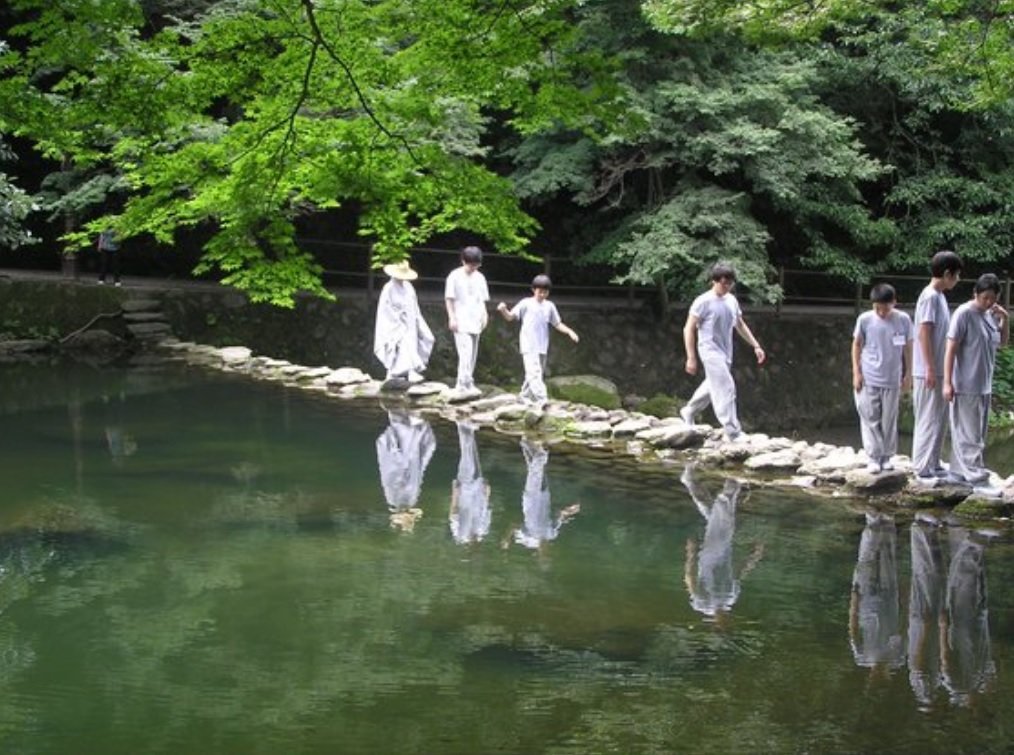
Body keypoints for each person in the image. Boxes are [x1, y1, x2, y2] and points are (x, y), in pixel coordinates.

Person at [680, 263, 766, 441]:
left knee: (712, 385)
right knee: (726, 387)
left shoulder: (731, 300)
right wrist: (691, 357)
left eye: (730, 283)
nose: (726, 286)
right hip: (709, 350)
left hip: (726, 351)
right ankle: (732, 431)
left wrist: (756, 345)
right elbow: (688, 329)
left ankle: (689, 411)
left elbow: (740, 325)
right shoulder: (703, 301)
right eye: (723, 283)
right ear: (714, 281)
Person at [943, 273, 1009, 494]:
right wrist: (947, 382)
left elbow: (1002, 343)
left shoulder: (990, 315)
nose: (989, 302)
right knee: (970, 434)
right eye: (985, 298)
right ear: (976, 294)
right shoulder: (964, 314)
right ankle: (978, 479)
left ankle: (958, 472)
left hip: (984, 384)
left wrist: (1004, 319)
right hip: (965, 384)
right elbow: (950, 348)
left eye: (993, 298)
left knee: (976, 432)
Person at [680, 464, 763, 621]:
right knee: (711, 511)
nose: (726, 620)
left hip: (710, 554)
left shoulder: (704, 605)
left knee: (725, 519)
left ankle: (732, 480)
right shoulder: (730, 599)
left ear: (715, 625)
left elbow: (690, 580)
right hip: (723, 549)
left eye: (722, 624)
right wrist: (754, 557)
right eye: (728, 622)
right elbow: (738, 574)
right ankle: (689, 480)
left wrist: (690, 553)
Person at [911, 251, 964, 486]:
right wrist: (930, 368)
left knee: (939, 419)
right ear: (946, 274)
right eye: (957, 275)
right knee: (928, 418)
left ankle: (933, 463)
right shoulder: (930, 297)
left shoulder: (939, 296)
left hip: (939, 369)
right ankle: (921, 468)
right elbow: (924, 332)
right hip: (927, 370)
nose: (958, 280)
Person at [851, 283, 913, 474]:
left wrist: (908, 374)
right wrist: (856, 372)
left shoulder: (903, 319)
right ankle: (873, 456)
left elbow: (908, 348)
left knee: (888, 419)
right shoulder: (865, 319)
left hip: (892, 377)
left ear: (894, 303)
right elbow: (856, 345)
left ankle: (886, 456)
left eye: (885, 308)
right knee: (870, 417)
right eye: (877, 307)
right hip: (869, 376)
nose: (881, 312)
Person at [496, 274, 579, 410]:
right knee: (534, 373)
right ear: (533, 290)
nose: (542, 294)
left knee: (535, 373)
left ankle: (524, 396)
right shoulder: (526, 303)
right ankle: (542, 399)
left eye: (545, 292)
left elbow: (557, 323)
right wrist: (503, 310)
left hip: (542, 345)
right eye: (540, 291)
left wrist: (570, 331)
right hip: (528, 345)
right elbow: (510, 317)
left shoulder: (549, 306)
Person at [849, 512, 904, 676]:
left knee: (866, 561)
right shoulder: (896, 659)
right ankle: (886, 521)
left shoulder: (862, 658)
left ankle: (873, 520)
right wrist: (905, 601)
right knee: (888, 557)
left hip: (866, 604)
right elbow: (903, 629)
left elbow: (853, 631)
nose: (878, 675)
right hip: (890, 602)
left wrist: (854, 603)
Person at [504, 437, 580, 552]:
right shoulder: (552, 534)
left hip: (531, 498)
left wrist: (507, 539)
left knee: (537, 465)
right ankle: (526, 443)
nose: (545, 550)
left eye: (543, 555)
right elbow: (560, 516)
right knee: (537, 468)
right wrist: (570, 510)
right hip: (544, 496)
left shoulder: (529, 539)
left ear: (539, 553)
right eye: (548, 553)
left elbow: (514, 526)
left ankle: (536, 445)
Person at [373, 260, 434, 384]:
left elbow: (414, 306)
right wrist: (397, 320)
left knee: (425, 338)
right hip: (395, 322)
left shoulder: (408, 287)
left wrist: (417, 320)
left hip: (410, 320)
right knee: (401, 344)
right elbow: (385, 309)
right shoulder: (388, 288)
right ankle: (397, 371)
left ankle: (411, 369)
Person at [376, 407, 436, 532]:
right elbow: (416, 477)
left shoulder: (395, 499)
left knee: (403, 433)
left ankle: (401, 409)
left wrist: (400, 457)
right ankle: (407, 411)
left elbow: (393, 475)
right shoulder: (409, 501)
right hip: (408, 460)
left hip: (403, 460)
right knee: (408, 434)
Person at [445, 245, 490, 399]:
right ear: (463, 261)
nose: (473, 268)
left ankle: (467, 382)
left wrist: (485, 315)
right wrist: (452, 317)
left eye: (476, 265)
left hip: (476, 318)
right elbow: (449, 298)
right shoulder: (454, 276)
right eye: (471, 264)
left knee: (472, 354)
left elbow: (482, 299)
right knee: (465, 352)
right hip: (461, 319)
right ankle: (462, 383)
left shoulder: (480, 277)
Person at [449, 420, 492, 545]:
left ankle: (461, 424)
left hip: (464, 493)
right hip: (478, 493)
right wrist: (487, 493)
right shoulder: (483, 530)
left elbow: (453, 513)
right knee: (474, 455)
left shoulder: (460, 534)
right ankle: (469, 429)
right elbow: (485, 510)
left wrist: (455, 493)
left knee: (466, 456)